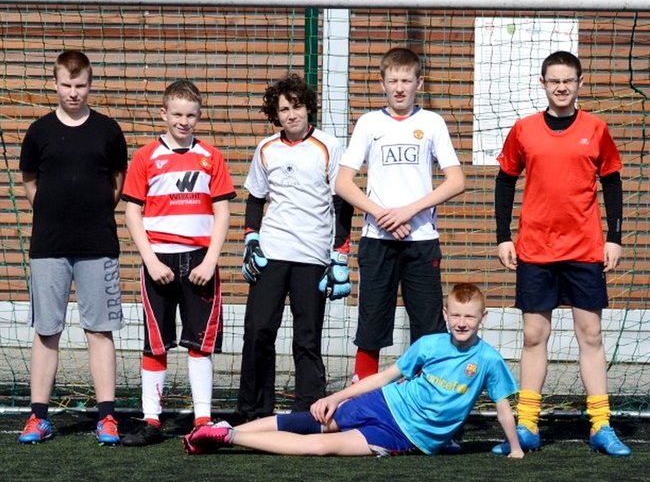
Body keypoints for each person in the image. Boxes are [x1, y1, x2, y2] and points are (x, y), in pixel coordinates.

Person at [184, 283, 524, 458]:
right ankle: (220, 430)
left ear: (483, 318)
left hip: (402, 436)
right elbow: (385, 376)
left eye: (470, 316)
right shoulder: (429, 344)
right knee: (311, 422)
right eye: (456, 315)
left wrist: (516, 448)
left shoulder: (489, 360)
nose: (462, 322)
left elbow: (503, 408)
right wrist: (336, 397)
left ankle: (229, 437)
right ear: (446, 315)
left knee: (321, 447)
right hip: (384, 403)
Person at [492, 51, 630, 457]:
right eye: (554, 80)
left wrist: (614, 237)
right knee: (534, 336)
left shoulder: (596, 129)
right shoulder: (524, 130)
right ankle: (527, 426)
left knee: (591, 334)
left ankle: (601, 425)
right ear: (543, 84)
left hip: (585, 248)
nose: (561, 87)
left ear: (580, 83)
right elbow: (504, 180)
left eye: (568, 80)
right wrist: (503, 236)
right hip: (535, 249)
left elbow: (612, 182)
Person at [335, 47, 465, 383]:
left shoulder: (432, 123)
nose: (399, 88)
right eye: (392, 81)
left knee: (429, 326)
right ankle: (363, 397)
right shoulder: (369, 123)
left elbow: (456, 181)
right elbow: (343, 182)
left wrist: (409, 211)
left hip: (421, 239)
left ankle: (427, 396)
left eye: (406, 81)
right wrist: (381, 214)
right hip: (377, 240)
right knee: (371, 325)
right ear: (382, 83)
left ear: (419, 83)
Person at [18, 50, 127, 445]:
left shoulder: (109, 131)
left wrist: (91, 213)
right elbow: (30, 182)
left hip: (99, 244)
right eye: (66, 85)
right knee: (47, 330)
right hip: (49, 246)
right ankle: (38, 417)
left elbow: (117, 181)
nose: (73, 92)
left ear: (90, 84)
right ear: (55, 83)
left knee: (100, 330)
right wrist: (53, 213)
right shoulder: (39, 131)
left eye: (80, 85)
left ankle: (107, 417)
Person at [120, 80, 236, 446]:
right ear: (164, 114)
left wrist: (211, 260)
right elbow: (132, 213)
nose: (183, 122)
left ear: (199, 116)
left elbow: (223, 212)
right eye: (177, 114)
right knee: (155, 343)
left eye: (191, 115)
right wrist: (150, 260)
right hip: (160, 261)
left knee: (200, 343)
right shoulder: (145, 157)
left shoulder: (211, 157)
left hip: (200, 261)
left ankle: (202, 420)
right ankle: (151, 420)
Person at [236, 73, 353, 421]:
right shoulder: (266, 148)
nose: (291, 114)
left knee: (307, 338)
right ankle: (254, 413)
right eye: (284, 109)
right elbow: (255, 199)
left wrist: (340, 254)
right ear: (276, 115)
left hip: (312, 256)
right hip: (271, 254)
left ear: (308, 108)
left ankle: (308, 413)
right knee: (258, 332)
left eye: (297, 106)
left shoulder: (329, 146)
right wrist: (251, 239)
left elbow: (342, 203)